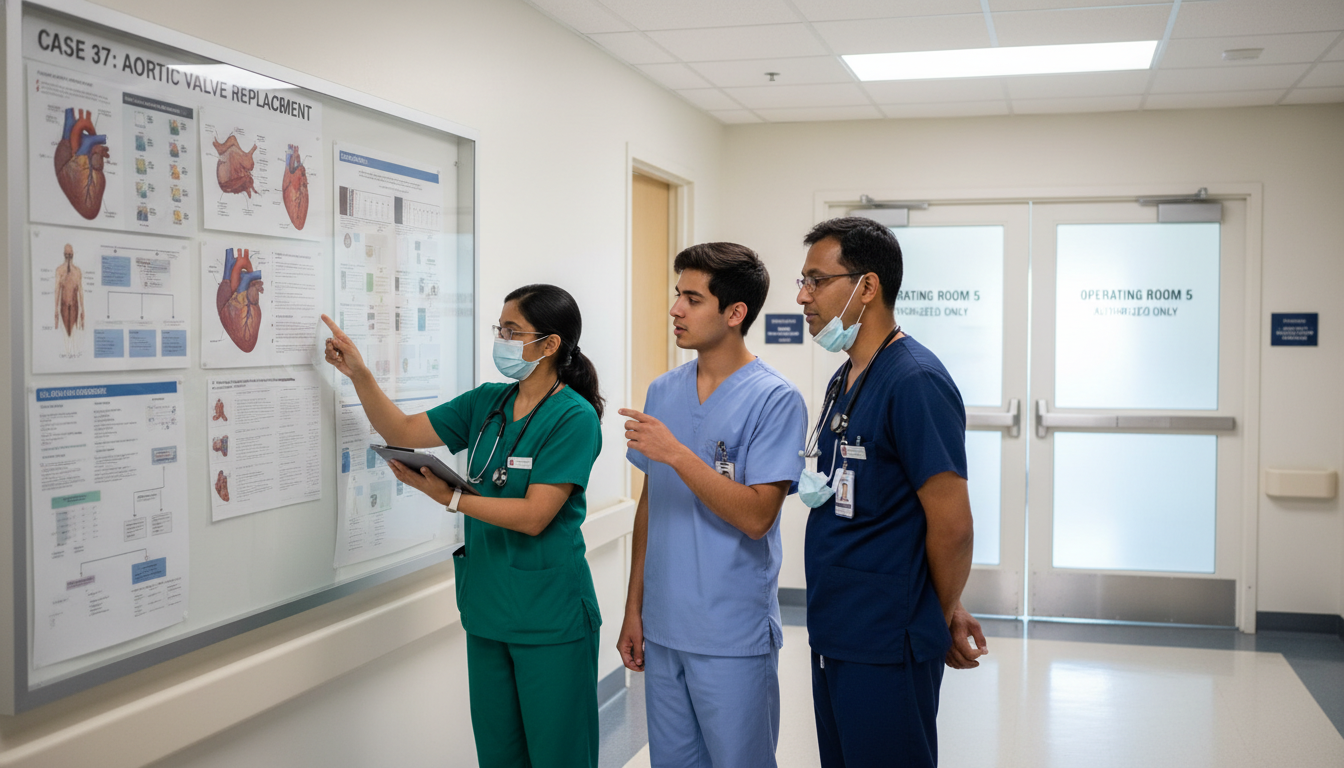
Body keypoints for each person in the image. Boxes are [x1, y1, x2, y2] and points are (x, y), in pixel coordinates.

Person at [321, 284, 605, 768]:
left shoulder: (573, 417)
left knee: (559, 755)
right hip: (489, 608)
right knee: (499, 754)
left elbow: (535, 516)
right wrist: (359, 374)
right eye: (500, 329)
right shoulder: (488, 403)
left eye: (512, 332)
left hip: (550, 617)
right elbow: (404, 432)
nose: (502, 340)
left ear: (550, 344)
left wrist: (451, 497)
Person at [795, 218, 988, 768]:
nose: (802, 296)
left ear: (867, 287)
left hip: (885, 639)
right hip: (838, 627)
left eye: (816, 280)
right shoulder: (848, 375)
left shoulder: (914, 381)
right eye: (803, 281)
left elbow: (953, 525)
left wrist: (939, 610)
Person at [618, 243, 807, 768]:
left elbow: (756, 516)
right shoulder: (663, 391)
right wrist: (634, 608)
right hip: (663, 623)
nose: (675, 309)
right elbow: (650, 506)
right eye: (677, 295)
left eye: (692, 298)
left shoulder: (775, 398)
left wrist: (677, 453)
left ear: (735, 313)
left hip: (729, 631)